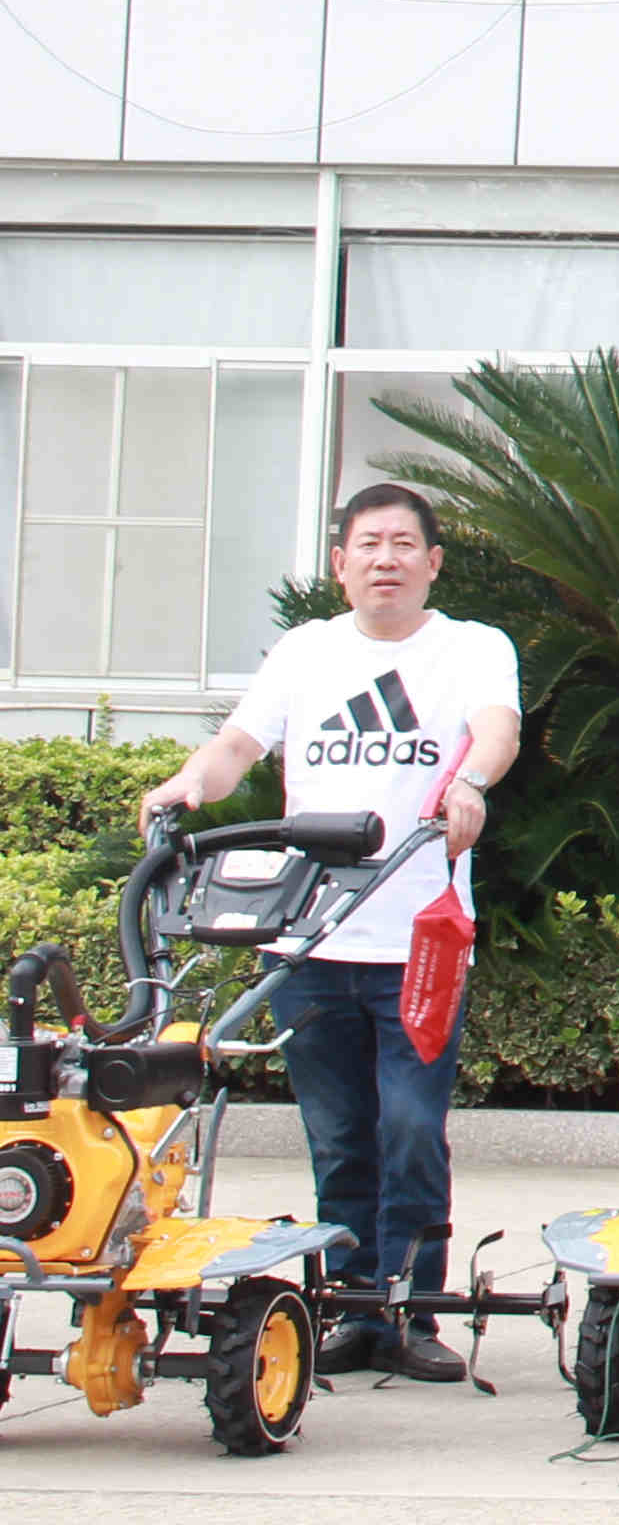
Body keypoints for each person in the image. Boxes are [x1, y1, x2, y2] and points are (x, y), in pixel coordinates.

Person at [138, 483, 521, 1384]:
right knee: (340, 1133)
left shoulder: (472, 647)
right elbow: (238, 746)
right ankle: (351, 1304)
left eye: (403, 544)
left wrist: (469, 784)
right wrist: (188, 784)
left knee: (411, 1128)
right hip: (306, 943)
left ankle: (413, 1307)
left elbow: (495, 731)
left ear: (433, 563)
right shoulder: (307, 650)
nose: (386, 559)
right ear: (341, 564)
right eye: (368, 545)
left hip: (419, 943)